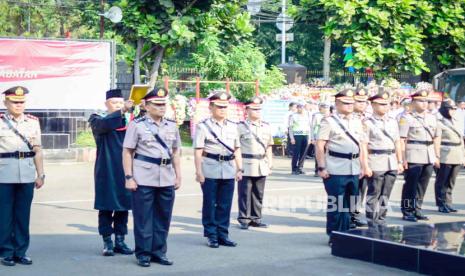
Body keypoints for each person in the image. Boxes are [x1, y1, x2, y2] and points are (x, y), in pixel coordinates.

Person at [122, 88, 182, 267]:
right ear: (146, 106)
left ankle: (159, 252)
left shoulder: (172, 125)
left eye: (164, 104)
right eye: (157, 104)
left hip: (166, 176)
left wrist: (178, 175)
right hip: (143, 176)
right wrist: (128, 177)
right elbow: (127, 151)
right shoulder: (137, 124)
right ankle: (143, 253)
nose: (162, 107)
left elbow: (176, 151)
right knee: (143, 217)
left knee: (164, 216)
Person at [315, 88, 367, 246]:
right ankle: (335, 235)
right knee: (336, 204)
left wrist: (364, 166)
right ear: (337, 104)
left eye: (352, 103)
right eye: (346, 103)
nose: (350, 105)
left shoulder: (358, 121)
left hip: (354, 167)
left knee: (351, 203)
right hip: (335, 168)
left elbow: (362, 145)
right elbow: (319, 145)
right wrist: (322, 167)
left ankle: (346, 234)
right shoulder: (328, 121)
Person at [0, 86, 45, 266]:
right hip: (3, 174)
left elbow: (38, 150)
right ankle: (6, 252)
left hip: (26, 174)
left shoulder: (33, 122)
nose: (19, 105)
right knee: (4, 216)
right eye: (15, 102)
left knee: (23, 215)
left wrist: (41, 174)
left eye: (22, 102)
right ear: (6, 102)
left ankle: (21, 251)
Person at [193, 91, 243, 248]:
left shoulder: (234, 126)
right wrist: (198, 171)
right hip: (210, 168)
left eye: (225, 107)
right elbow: (198, 150)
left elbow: (237, 149)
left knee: (225, 204)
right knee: (210, 203)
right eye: (219, 106)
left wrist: (240, 168)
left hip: (228, 168)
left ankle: (223, 234)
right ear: (211, 107)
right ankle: (211, 235)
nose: (222, 109)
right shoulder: (203, 126)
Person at [88, 89, 134, 256]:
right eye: (115, 103)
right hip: (106, 168)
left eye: (121, 103)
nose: (118, 106)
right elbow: (104, 126)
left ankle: (120, 241)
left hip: (125, 168)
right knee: (106, 206)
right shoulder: (97, 118)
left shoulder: (130, 121)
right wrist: (121, 111)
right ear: (106, 104)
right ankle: (107, 241)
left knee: (123, 206)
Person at [362, 88, 404, 227]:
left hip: (391, 160)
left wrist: (399, 161)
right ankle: (371, 219)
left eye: (387, 104)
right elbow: (364, 145)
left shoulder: (392, 121)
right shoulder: (367, 122)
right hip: (375, 160)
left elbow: (397, 142)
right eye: (381, 104)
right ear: (373, 105)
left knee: (386, 193)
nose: (385, 107)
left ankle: (381, 219)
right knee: (374, 193)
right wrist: (366, 165)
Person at [399, 90, 440, 222]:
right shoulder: (407, 118)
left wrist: (437, 155)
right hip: (413, 154)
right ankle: (407, 210)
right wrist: (403, 158)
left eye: (426, 101)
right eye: (421, 101)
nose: (424, 104)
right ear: (413, 102)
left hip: (429, 154)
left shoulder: (432, 118)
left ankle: (417, 208)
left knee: (423, 184)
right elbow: (401, 139)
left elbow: (436, 137)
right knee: (410, 185)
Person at [237, 96, 273, 230]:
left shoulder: (266, 126)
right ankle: (244, 219)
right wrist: (238, 167)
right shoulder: (240, 127)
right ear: (246, 110)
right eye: (254, 109)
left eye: (259, 109)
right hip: (246, 162)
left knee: (259, 193)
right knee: (245, 192)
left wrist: (270, 164)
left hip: (262, 163)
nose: (258, 112)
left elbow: (269, 146)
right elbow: (236, 148)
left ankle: (256, 218)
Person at [434, 99, 464, 213]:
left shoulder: (456, 121)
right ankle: (441, 203)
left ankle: (448, 202)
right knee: (442, 181)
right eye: (451, 109)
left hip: (456, 153)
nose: (453, 111)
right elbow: (437, 140)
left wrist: (463, 156)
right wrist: (436, 156)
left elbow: (461, 139)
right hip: (445, 153)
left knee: (451, 181)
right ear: (445, 109)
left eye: (454, 109)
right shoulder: (439, 122)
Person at [351, 85, 369, 227]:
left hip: (365, 158)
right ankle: (348, 216)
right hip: (350, 158)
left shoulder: (368, 119)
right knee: (350, 189)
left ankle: (356, 213)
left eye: (364, 101)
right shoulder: (347, 118)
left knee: (362, 189)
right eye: (359, 101)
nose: (362, 104)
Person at [289, 102, 311, 174]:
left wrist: (310, 138)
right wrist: (292, 138)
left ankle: (300, 168)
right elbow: (290, 128)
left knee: (303, 153)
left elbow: (310, 127)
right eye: (298, 107)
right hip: (297, 136)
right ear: (297, 108)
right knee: (296, 153)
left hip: (305, 135)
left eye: (301, 107)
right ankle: (294, 169)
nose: (300, 109)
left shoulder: (307, 115)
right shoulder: (293, 116)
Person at [310, 102, 330, 176]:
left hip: (327, 138)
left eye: (326, 107)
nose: (325, 109)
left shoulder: (330, 115)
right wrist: (312, 138)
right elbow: (312, 127)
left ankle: (327, 170)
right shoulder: (316, 115)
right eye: (323, 107)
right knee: (318, 154)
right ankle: (317, 170)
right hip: (318, 136)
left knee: (327, 154)